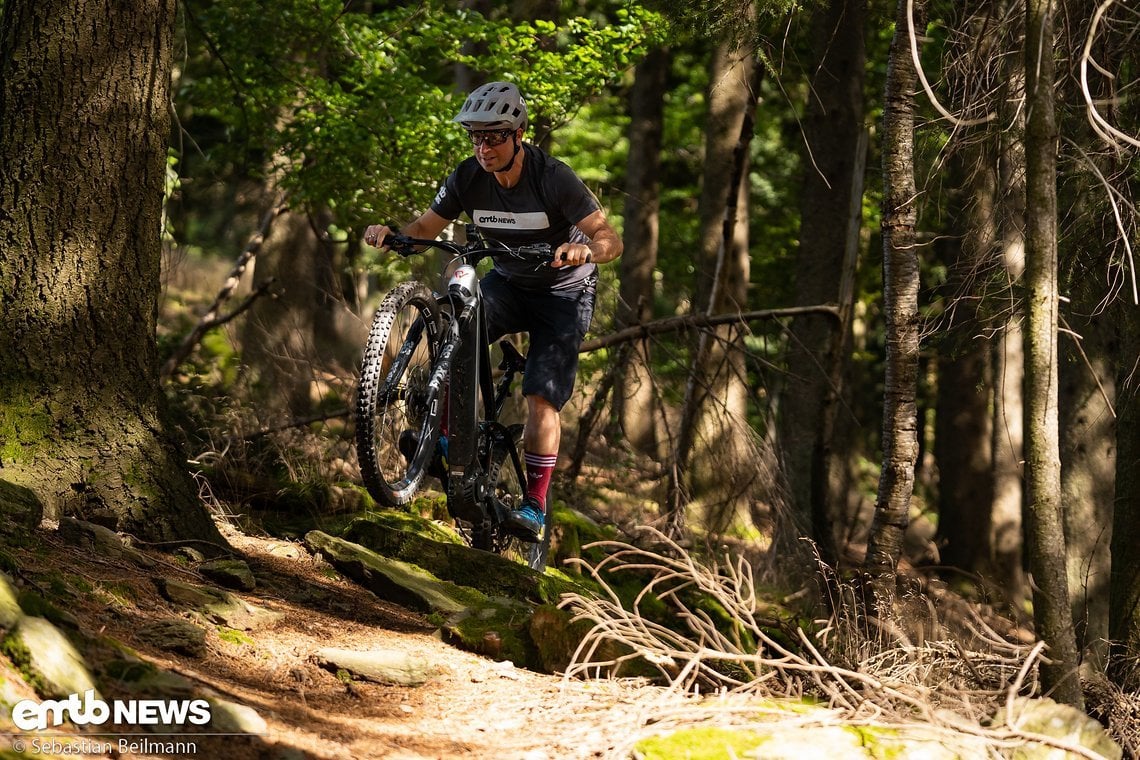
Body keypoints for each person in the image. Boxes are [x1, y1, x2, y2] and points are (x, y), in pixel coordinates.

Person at [364, 81, 622, 542]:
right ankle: (441, 439)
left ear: (519, 134)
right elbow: (426, 226)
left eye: (494, 136)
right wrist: (394, 235)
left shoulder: (553, 177)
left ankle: (535, 505)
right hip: (507, 282)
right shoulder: (468, 177)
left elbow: (609, 238)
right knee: (456, 331)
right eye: (475, 137)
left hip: (564, 293)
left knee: (541, 395)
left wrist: (587, 253)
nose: (483, 147)